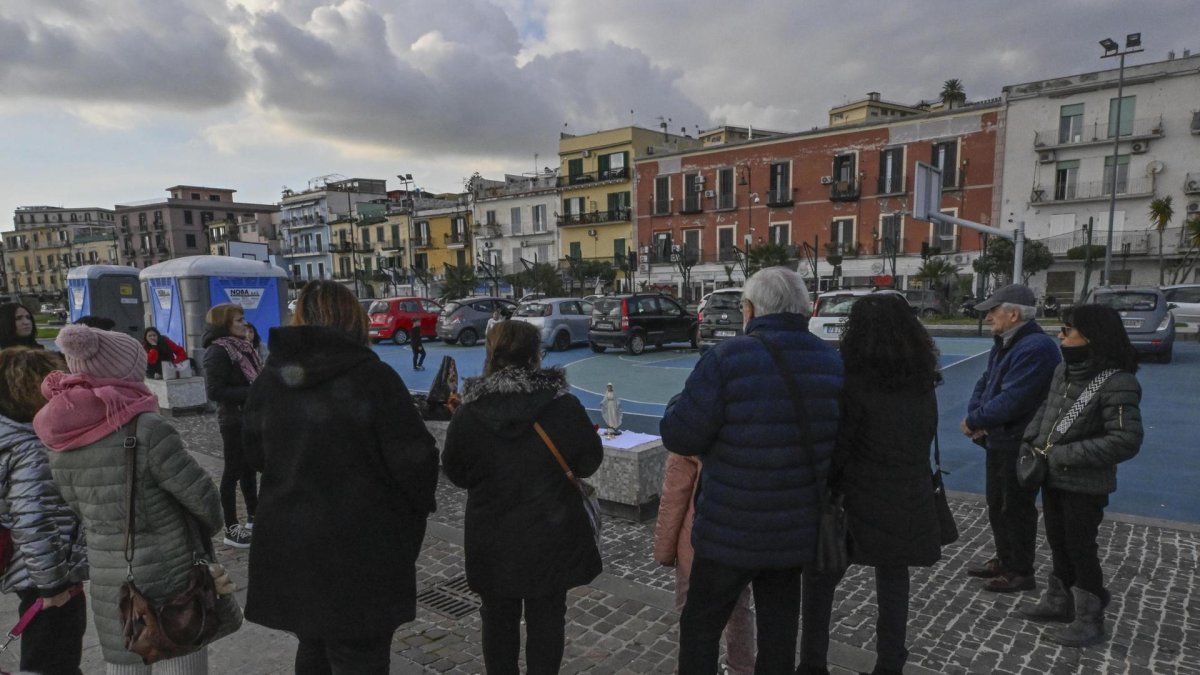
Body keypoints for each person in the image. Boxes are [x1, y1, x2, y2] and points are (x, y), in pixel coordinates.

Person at [241, 280, 438, 674]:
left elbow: (254, 454)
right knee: (359, 654)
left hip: (293, 541)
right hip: (361, 548)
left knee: (312, 645)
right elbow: (416, 462)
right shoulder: (373, 379)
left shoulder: (270, 380)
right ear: (353, 320)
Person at [659, 266, 844, 674]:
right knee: (779, 634)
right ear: (806, 309)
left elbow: (680, 435)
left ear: (749, 309)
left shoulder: (726, 359)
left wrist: (679, 402)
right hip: (793, 531)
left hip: (729, 529)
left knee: (701, 628)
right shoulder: (831, 363)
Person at [34, 325, 224, 675]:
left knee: (124, 658)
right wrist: (206, 530)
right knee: (178, 651)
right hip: (170, 571)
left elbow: (74, 505)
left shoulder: (57, 431)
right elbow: (201, 497)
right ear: (123, 370)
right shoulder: (147, 428)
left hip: (110, 573)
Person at [443, 320, 602, 675]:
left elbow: (454, 471)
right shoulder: (563, 407)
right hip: (550, 534)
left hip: (492, 538)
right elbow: (589, 462)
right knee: (547, 619)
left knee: (497, 620)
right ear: (536, 358)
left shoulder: (469, 414)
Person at [799, 294, 944, 675]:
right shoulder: (922, 382)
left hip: (856, 498)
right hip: (906, 494)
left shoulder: (853, 383)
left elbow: (842, 446)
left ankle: (813, 663)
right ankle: (890, 664)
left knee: (821, 580)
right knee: (894, 583)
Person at [1017, 304, 1142, 647]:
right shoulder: (1064, 371)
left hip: (1085, 482)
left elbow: (1126, 439)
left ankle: (1090, 616)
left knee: (1080, 547)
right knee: (1058, 541)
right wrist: (1031, 440)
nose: (1061, 336)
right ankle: (1060, 600)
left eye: (1067, 331)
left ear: (1092, 337)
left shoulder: (1118, 382)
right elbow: (1047, 409)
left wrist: (1062, 455)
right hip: (1053, 476)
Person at [961, 284, 1061, 593]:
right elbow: (986, 381)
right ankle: (1005, 559)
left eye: (993, 311)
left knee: (1016, 508)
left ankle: (1020, 570)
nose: (989, 317)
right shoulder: (1005, 342)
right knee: (997, 504)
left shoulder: (1036, 348)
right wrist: (975, 414)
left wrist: (976, 419)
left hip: (1020, 441)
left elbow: (1015, 398)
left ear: (1013, 314)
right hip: (1000, 438)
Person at [0, 347, 89, 675]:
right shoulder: (32, 448)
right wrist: (53, 586)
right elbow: (33, 520)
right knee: (53, 661)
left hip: (39, 571)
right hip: (48, 577)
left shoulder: (14, 435)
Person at [654, 453, 755, 675]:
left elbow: (675, 494)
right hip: (738, 540)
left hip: (695, 545)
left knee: (691, 616)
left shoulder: (689, 436)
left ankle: (688, 667)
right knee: (738, 609)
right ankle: (741, 667)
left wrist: (664, 549)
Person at [202, 304, 263, 548]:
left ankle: (253, 516)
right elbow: (215, 391)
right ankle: (231, 527)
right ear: (224, 323)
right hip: (233, 419)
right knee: (232, 472)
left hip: (249, 417)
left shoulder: (243, 347)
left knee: (248, 469)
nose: (244, 324)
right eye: (239, 320)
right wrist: (253, 392)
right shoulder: (218, 351)